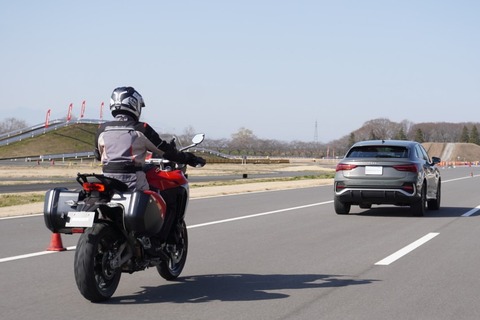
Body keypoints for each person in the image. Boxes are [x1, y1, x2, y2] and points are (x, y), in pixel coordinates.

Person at [94, 86, 205, 191]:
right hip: (133, 183)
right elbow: (166, 151)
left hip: (108, 182)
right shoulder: (141, 129)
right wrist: (190, 158)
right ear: (134, 104)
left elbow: (98, 155)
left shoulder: (102, 129)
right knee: (157, 196)